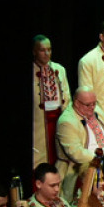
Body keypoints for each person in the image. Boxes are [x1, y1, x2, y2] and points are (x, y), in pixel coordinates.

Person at [55, 86, 104, 201]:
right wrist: (102, 160)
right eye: (88, 105)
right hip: (83, 168)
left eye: (94, 103)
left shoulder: (94, 109)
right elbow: (76, 153)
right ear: (76, 103)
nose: (92, 107)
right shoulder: (66, 122)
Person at [32, 34, 71, 168]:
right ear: (34, 51)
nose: (47, 53)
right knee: (41, 157)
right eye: (43, 50)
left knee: (60, 157)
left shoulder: (59, 69)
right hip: (40, 122)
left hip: (58, 118)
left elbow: (67, 96)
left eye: (49, 49)